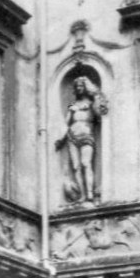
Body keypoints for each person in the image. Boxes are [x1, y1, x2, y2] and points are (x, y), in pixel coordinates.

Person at [56, 74, 106, 204]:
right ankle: (83, 195)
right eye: (76, 86)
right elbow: (66, 123)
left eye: (81, 86)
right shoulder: (72, 105)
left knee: (86, 163)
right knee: (76, 167)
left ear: (85, 88)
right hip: (72, 136)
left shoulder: (91, 103)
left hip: (87, 134)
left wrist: (95, 99)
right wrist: (61, 138)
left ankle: (90, 194)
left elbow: (99, 115)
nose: (78, 88)